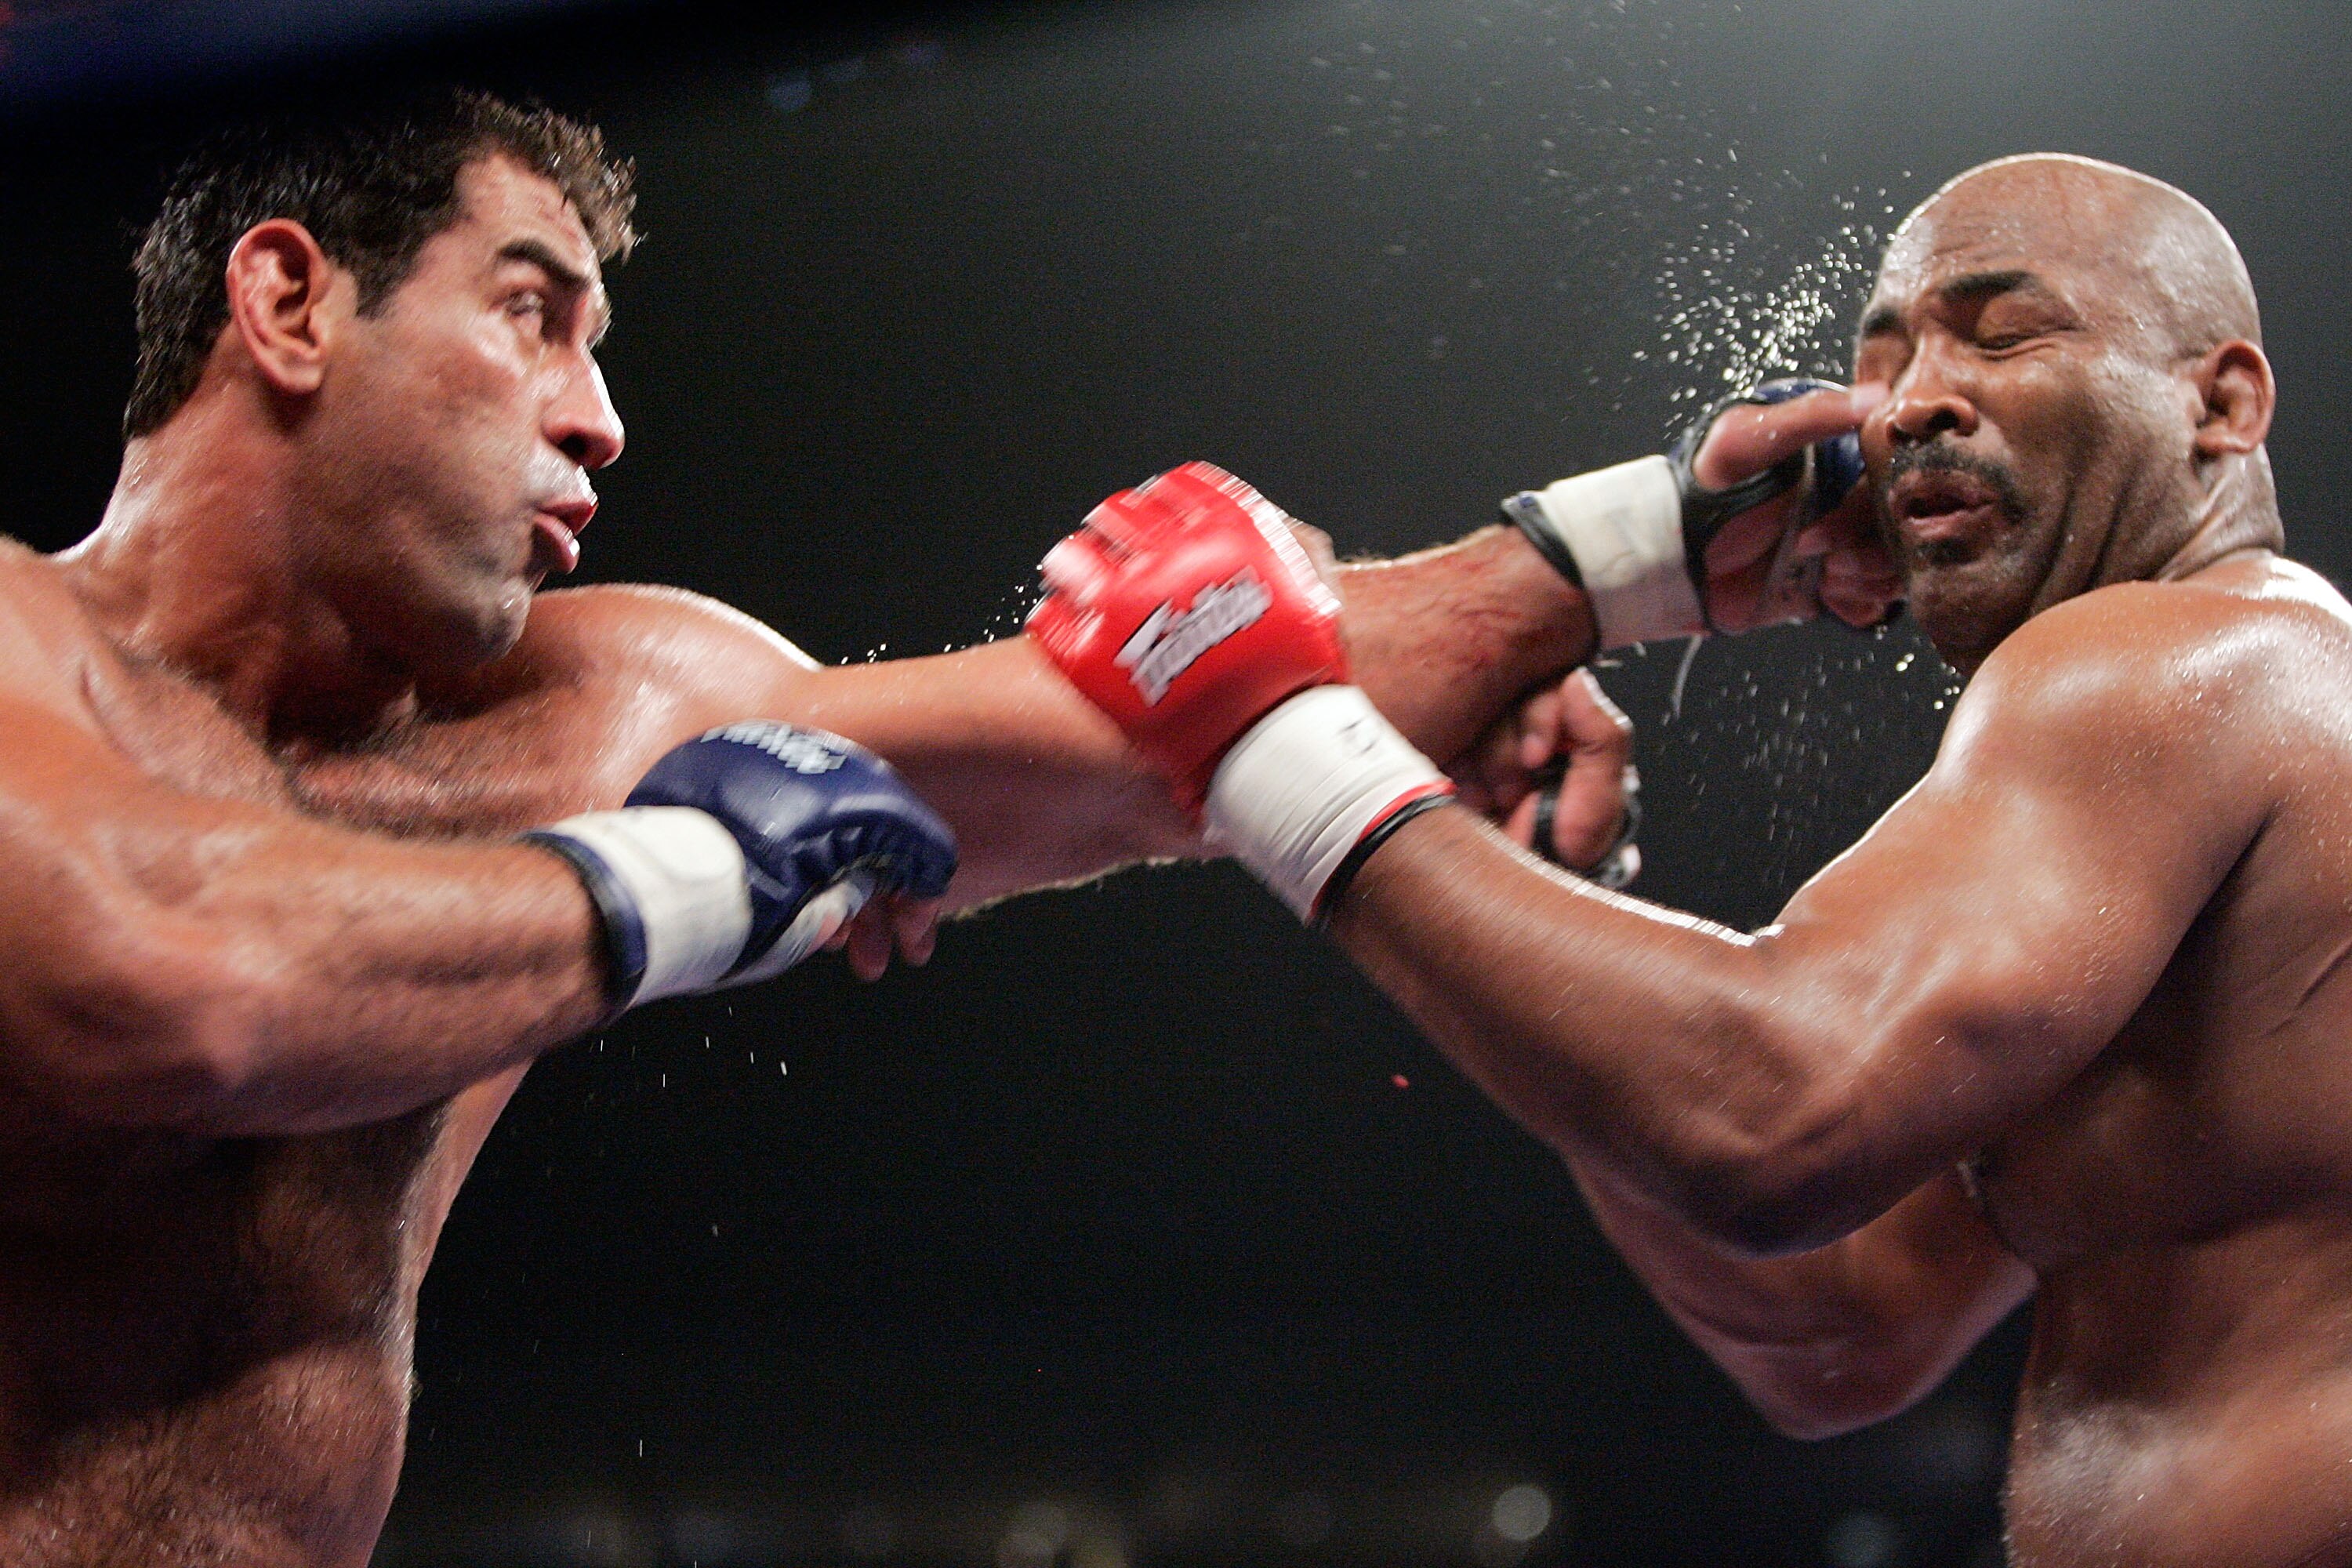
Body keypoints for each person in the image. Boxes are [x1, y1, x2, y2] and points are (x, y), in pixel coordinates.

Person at [0, 91, 1665, 1565]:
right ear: (291, 301)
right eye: (532, 315)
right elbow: (177, 980)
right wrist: (683, 881)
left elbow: (1146, 708)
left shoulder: (600, 708)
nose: (599, 418)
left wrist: (1616, 566)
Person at [1035, 153, 2352, 1566]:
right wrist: (1543, 903)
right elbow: (1837, 1333)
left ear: (2221, 404)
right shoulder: (2255, 726)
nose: (1912, 405)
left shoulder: (2184, 657)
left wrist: (1277, 742)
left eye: (2004, 329)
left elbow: (1776, 1115)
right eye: (1887, 355)